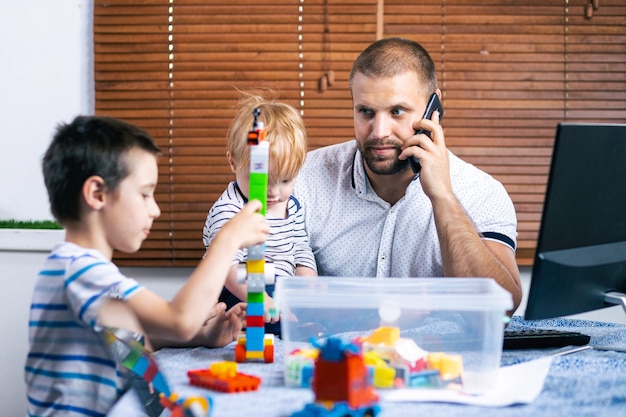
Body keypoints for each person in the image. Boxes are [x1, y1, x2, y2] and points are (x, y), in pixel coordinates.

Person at [25, 115, 269, 416]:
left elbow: (133, 339)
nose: (155, 209)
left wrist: (201, 336)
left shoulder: (77, 272)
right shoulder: (78, 270)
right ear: (97, 194)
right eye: (144, 193)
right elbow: (179, 319)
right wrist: (228, 239)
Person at [294, 37, 522, 313]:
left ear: (433, 108)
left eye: (397, 111)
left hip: (438, 354)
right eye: (365, 111)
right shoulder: (302, 178)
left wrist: (443, 198)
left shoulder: (481, 192)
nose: (379, 132)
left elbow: (502, 308)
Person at [202, 93, 317, 330]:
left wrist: (307, 280)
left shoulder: (291, 206)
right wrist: (260, 299)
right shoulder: (229, 210)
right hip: (238, 287)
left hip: (281, 286)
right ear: (234, 163)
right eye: (262, 182)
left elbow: (300, 246)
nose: (274, 193)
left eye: (286, 181)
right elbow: (225, 266)